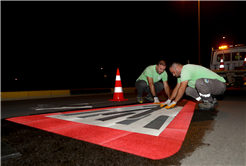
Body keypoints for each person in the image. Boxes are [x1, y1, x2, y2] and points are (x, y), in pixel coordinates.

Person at [161, 62, 226, 110]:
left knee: (199, 82)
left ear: (177, 68)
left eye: (173, 72)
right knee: (188, 90)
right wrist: (169, 100)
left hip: (219, 85)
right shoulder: (180, 76)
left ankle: (208, 102)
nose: (173, 75)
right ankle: (211, 100)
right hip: (210, 87)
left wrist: (174, 102)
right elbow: (177, 88)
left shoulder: (186, 70)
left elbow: (181, 88)